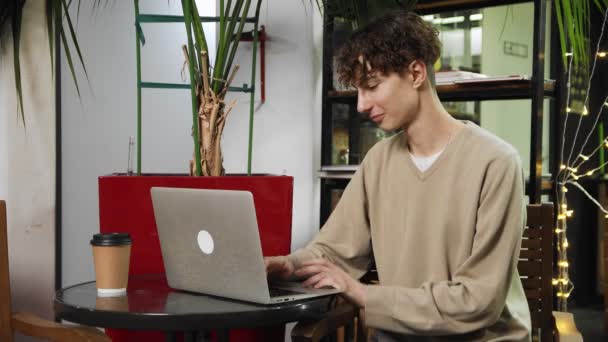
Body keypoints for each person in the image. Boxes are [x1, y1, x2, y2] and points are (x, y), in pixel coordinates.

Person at [265, 10, 531, 341]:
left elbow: (479, 301)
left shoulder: (496, 162)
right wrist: (290, 265)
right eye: (358, 90)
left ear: (416, 72)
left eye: (372, 86)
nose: (361, 104)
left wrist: (363, 295)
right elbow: (335, 250)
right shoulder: (378, 161)